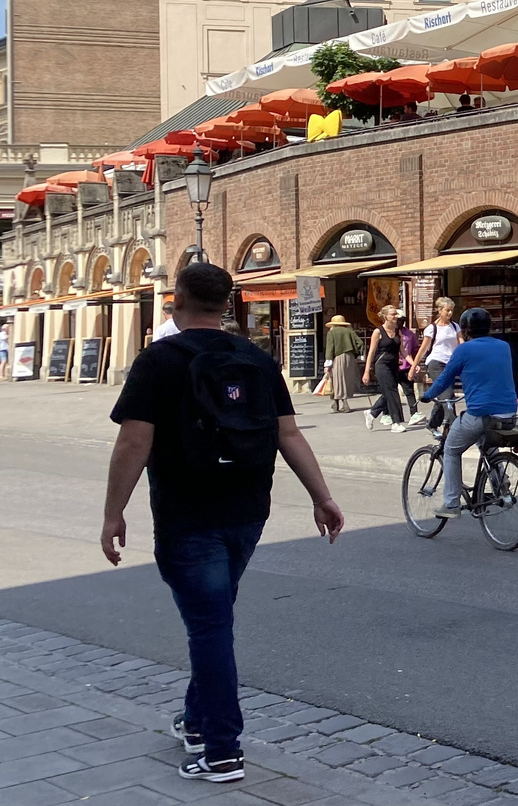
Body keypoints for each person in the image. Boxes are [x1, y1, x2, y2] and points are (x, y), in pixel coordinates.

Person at [101, 261, 345, 784]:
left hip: (188, 514)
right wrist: (322, 497)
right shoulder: (256, 359)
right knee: (214, 620)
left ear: (177, 299)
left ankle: (221, 750)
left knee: (210, 628)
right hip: (247, 510)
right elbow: (289, 434)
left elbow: (134, 442)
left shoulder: (158, 361)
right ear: (227, 304)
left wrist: (113, 512)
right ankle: (196, 723)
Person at [421, 307, 518, 519]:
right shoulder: (503, 346)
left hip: (480, 413)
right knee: (489, 445)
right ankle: (502, 488)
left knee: (451, 449)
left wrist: (427, 395)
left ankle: (451, 503)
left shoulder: (463, 350)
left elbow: (445, 378)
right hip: (509, 413)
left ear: (465, 331)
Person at [408, 297, 460, 431]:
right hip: (436, 363)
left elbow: (462, 344)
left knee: (442, 394)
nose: (449, 313)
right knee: (447, 396)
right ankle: (454, 426)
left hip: (451, 364)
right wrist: (413, 367)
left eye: (451, 311)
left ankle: (432, 424)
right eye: (447, 310)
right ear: (439, 310)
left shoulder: (455, 327)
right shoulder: (432, 328)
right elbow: (423, 348)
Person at [361, 305, 409, 433]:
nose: (395, 316)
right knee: (392, 392)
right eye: (393, 314)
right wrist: (366, 372)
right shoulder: (378, 332)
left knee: (389, 392)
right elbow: (370, 353)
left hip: (394, 365)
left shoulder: (398, 330)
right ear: (385, 317)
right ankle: (396, 422)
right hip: (382, 365)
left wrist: (413, 364)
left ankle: (372, 413)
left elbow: (403, 351)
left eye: (396, 314)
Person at [322, 314, 361, 413]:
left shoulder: (332, 333)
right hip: (350, 357)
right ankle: (337, 403)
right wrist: (357, 354)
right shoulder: (350, 331)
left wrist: (328, 363)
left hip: (338, 357)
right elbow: (360, 343)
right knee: (346, 379)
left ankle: (343, 403)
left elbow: (330, 348)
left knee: (337, 379)